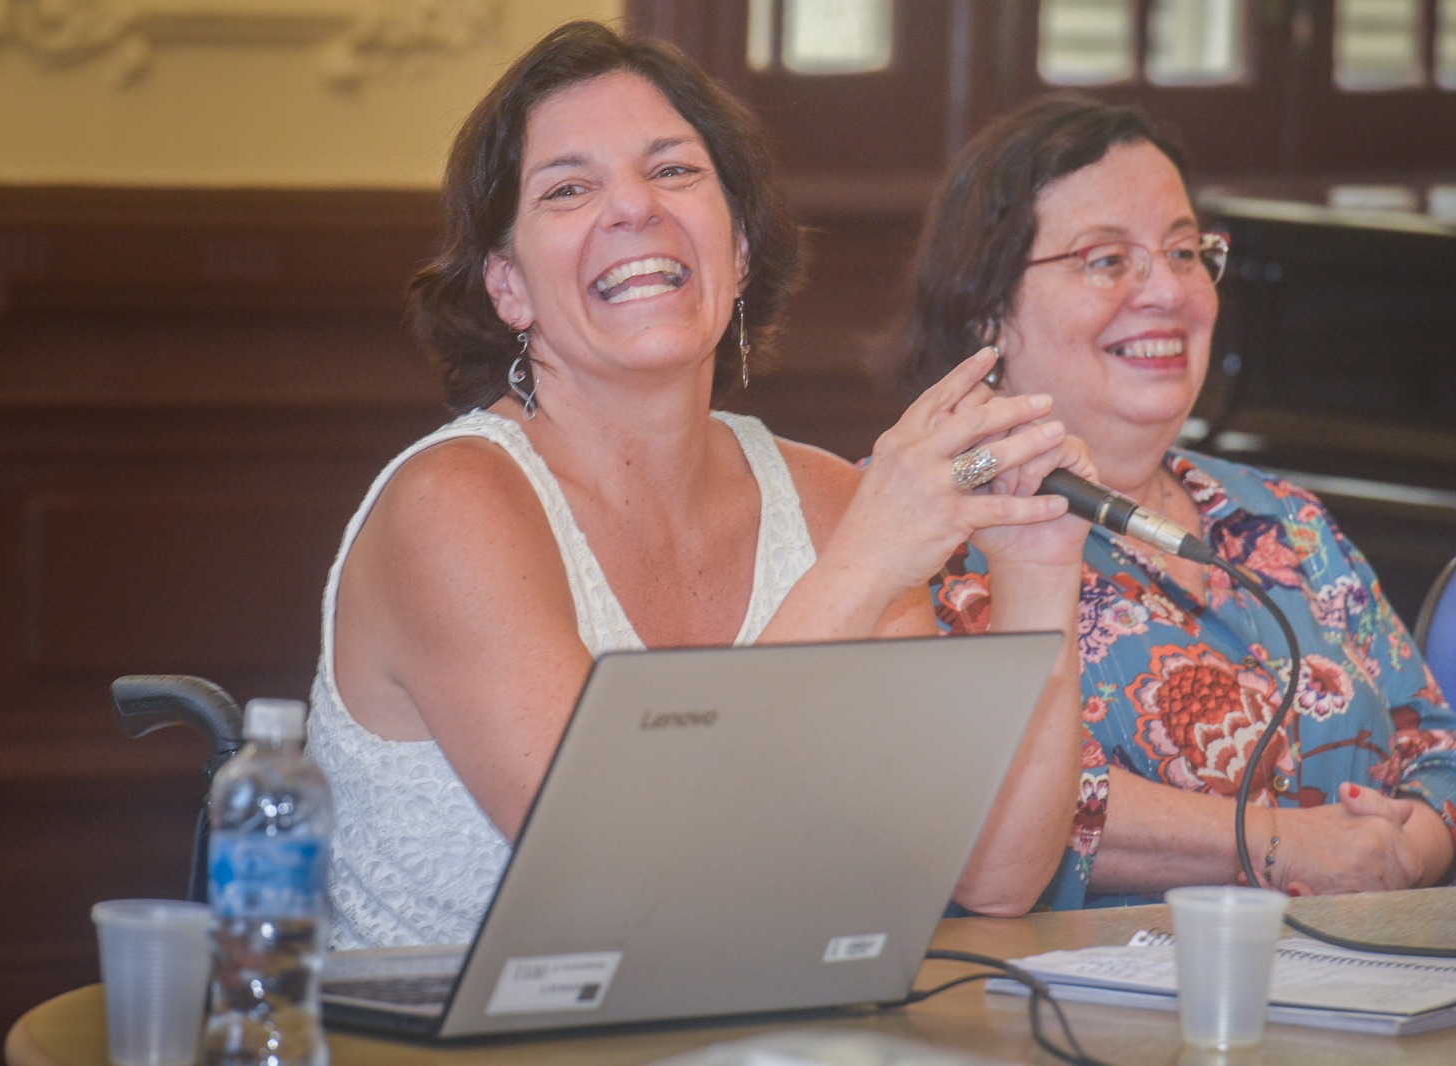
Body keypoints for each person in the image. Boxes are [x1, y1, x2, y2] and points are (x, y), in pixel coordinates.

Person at [304, 22, 1096, 949]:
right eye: (568, 188)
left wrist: (1039, 574)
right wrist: (868, 563)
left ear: (742, 248)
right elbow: (618, 867)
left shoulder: (829, 501)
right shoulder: (452, 508)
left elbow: (994, 875)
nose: (633, 208)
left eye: (674, 171)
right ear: (508, 288)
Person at [893, 93, 1456, 910]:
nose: (1168, 291)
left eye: (1185, 252)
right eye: (1107, 259)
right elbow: (976, 815)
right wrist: (1285, 847)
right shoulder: (926, 531)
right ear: (988, 312)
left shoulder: (1283, 518)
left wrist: (1392, 855)